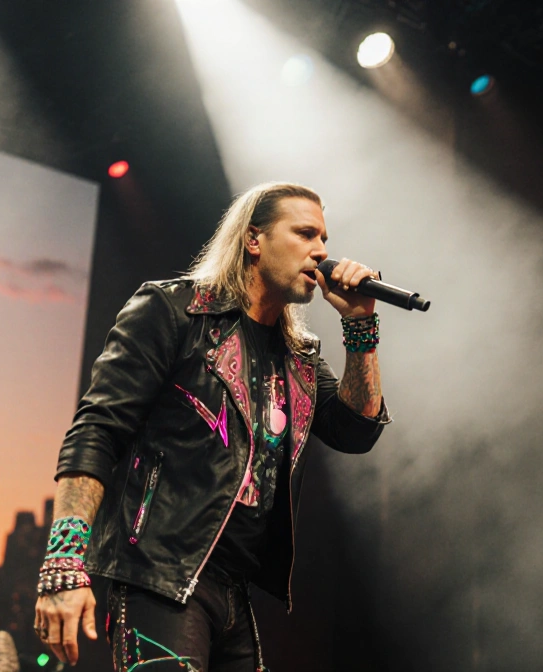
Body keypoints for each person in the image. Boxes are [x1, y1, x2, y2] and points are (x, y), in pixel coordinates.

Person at [33, 182, 390, 671]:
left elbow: (357, 430)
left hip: (233, 595)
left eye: (325, 238)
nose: (322, 251)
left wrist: (360, 326)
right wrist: (64, 562)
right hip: (157, 576)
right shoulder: (173, 311)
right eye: (306, 233)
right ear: (254, 239)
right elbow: (97, 429)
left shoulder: (300, 358)